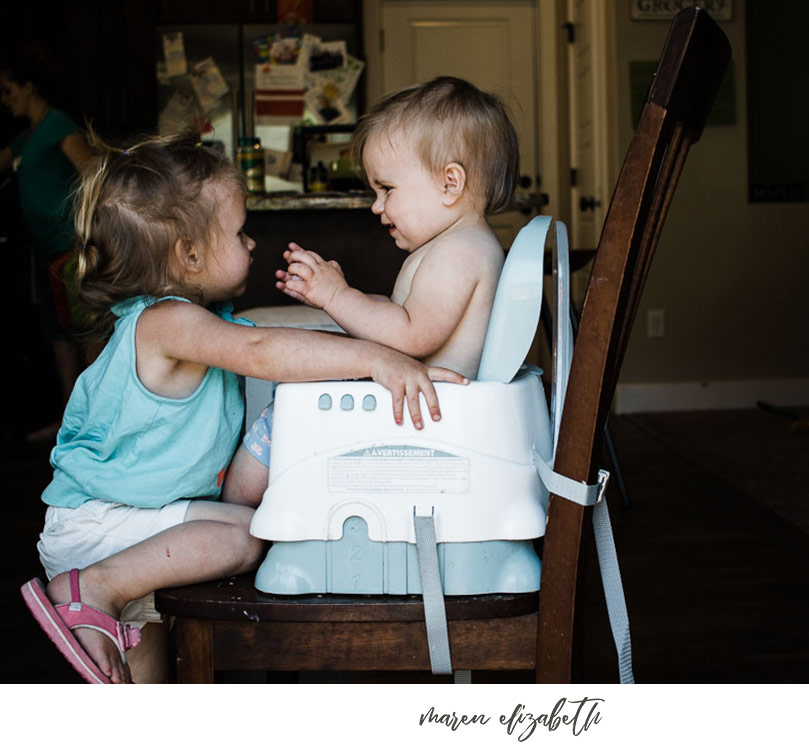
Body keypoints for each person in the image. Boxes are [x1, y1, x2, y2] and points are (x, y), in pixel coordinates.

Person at [19, 129, 466, 684]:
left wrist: (367, 316)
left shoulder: (205, 322)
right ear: (189, 254)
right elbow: (263, 350)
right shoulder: (167, 324)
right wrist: (377, 361)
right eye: (239, 232)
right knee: (250, 534)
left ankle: (100, 604)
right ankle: (94, 590)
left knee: (142, 694)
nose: (251, 242)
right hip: (104, 525)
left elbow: (281, 331)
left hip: (141, 524)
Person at [222, 75, 519, 504]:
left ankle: (238, 510)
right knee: (302, 376)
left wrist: (338, 298)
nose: (376, 206)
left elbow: (413, 335)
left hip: (419, 419)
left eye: (387, 189)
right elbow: (405, 315)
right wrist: (350, 297)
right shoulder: (454, 245)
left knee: (285, 413)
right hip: (414, 406)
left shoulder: (459, 253)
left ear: (450, 183)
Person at [0, 44, 98, 439]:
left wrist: (87, 239)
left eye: (8, 91)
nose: (4, 101)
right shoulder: (27, 139)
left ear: (30, 88)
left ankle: (98, 419)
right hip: (44, 252)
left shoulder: (58, 126)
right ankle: (71, 422)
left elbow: (92, 173)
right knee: (59, 336)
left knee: (87, 333)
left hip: (71, 248)